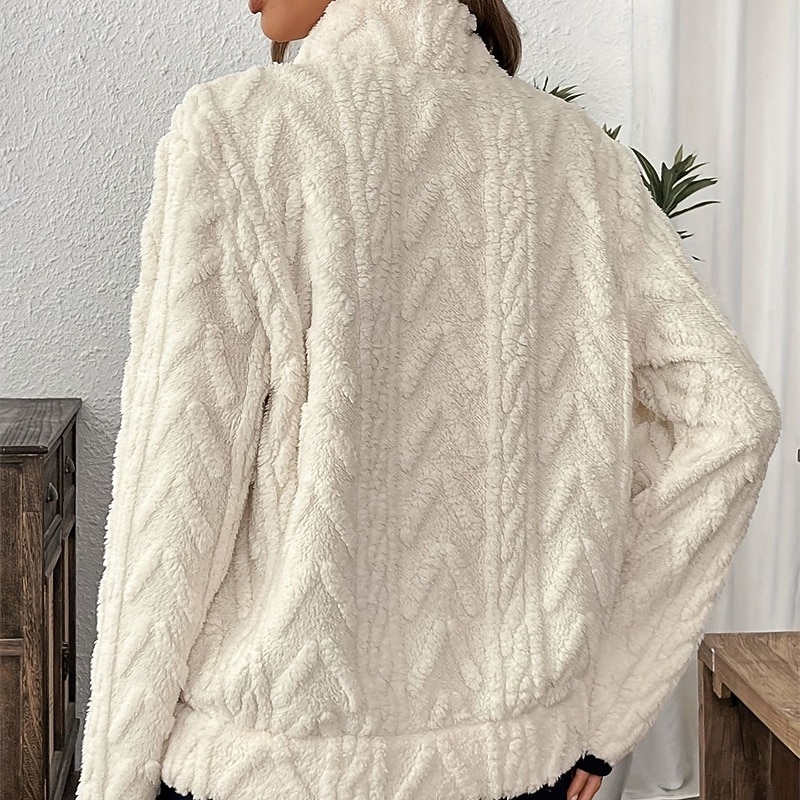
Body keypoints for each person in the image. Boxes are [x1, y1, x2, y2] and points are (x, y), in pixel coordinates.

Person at [74, 0, 782, 797]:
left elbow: (175, 495)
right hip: (517, 766)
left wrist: (114, 780)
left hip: (270, 766)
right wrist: (608, 705)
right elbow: (733, 416)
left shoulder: (240, 133)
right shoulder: (577, 156)